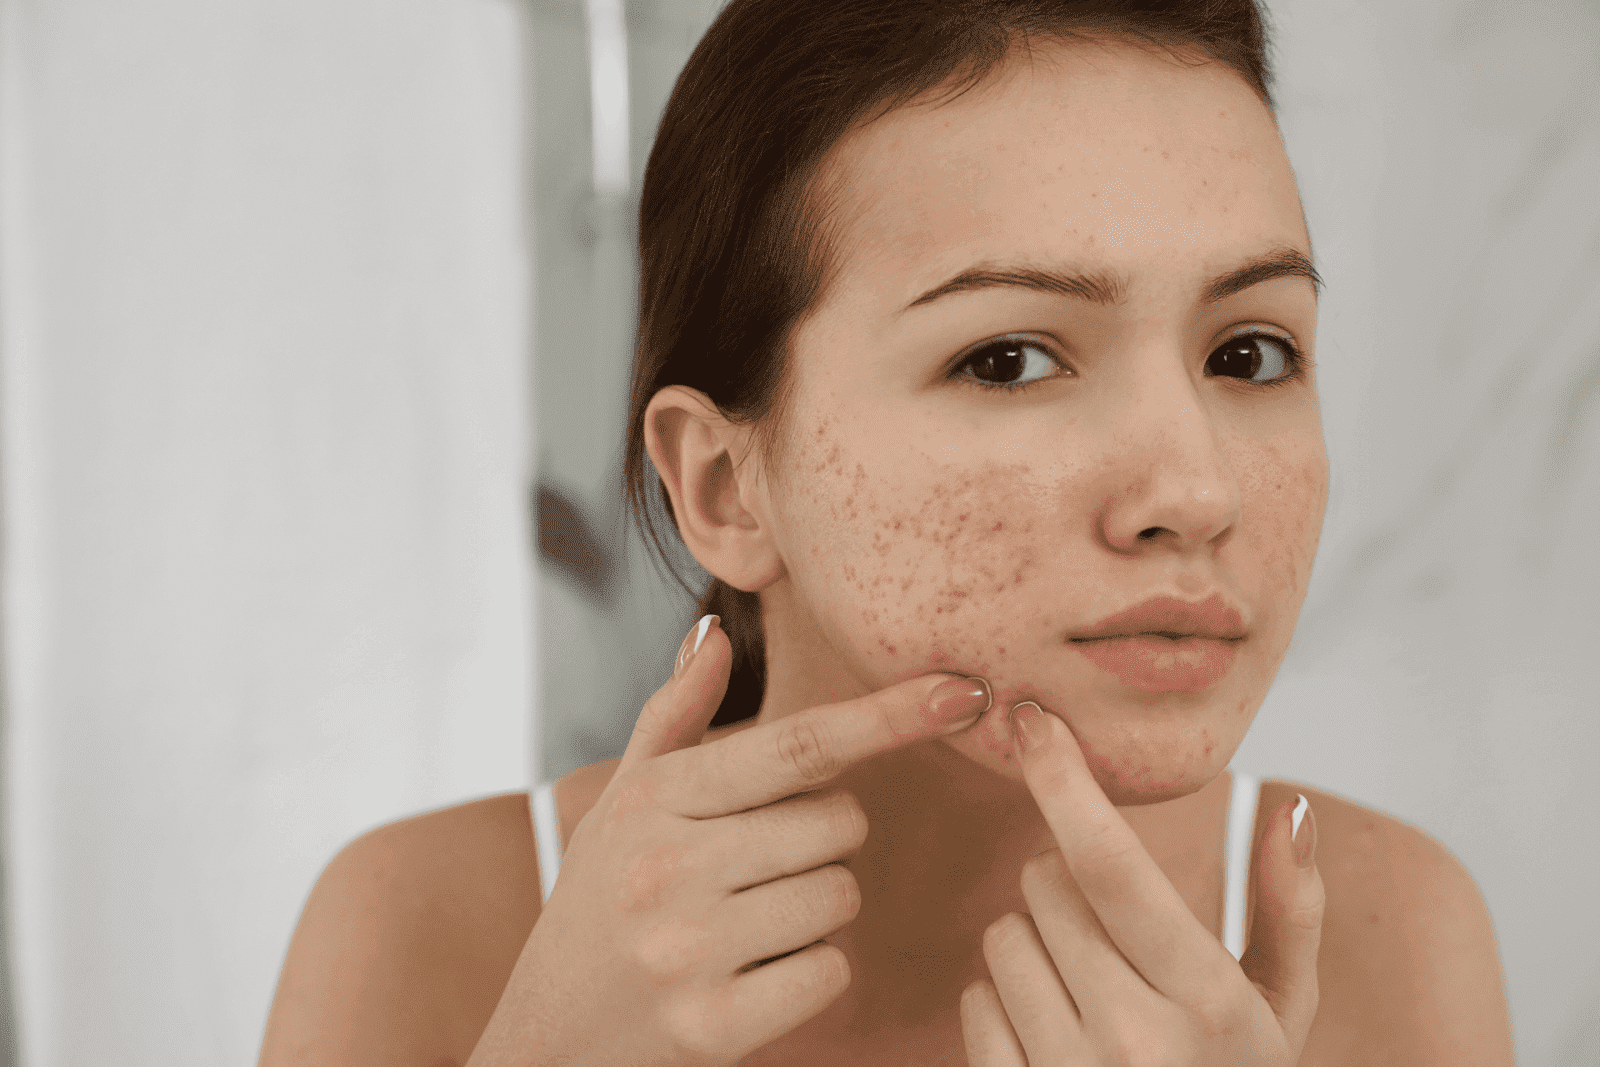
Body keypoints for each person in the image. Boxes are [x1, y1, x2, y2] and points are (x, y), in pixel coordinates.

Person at [258, 1, 1518, 1064]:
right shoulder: (431, 929)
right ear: (725, 486)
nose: (1193, 492)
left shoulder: (1389, 932)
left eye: (1250, 350)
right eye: (1009, 357)